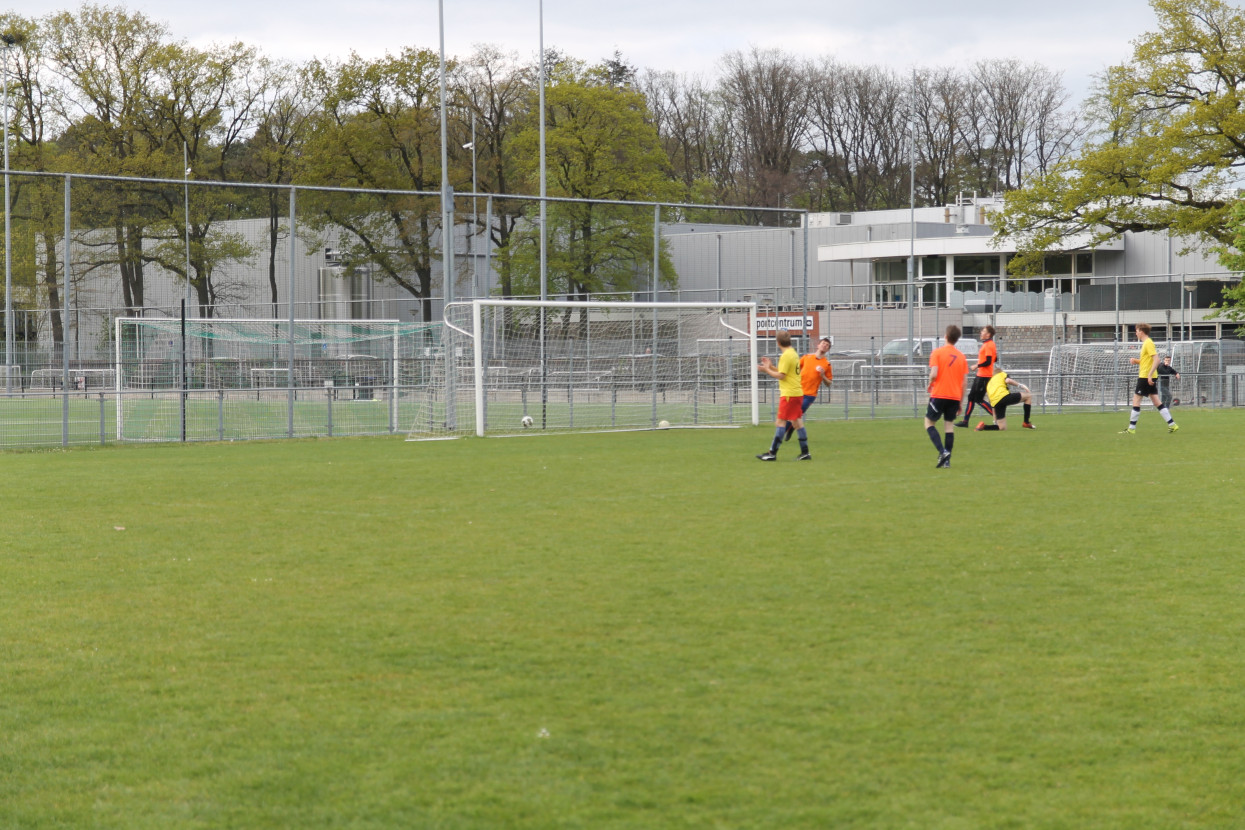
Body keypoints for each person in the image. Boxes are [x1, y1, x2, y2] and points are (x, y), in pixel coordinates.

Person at [756, 330, 811, 461]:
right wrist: (769, 367)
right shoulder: (792, 353)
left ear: (778, 342)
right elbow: (784, 372)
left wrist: (767, 370)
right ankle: (805, 452)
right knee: (797, 422)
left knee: (780, 422)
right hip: (796, 393)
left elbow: (782, 376)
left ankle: (772, 453)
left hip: (789, 395)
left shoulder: (786, 356)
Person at [924, 324, 969, 468]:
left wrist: (930, 383)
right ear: (956, 340)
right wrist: (961, 402)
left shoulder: (937, 353)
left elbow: (934, 373)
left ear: (945, 336)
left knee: (929, 423)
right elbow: (964, 383)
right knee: (949, 426)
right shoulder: (962, 357)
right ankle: (947, 461)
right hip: (955, 396)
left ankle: (942, 452)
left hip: (939, 394)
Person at [1120, 323, 1179, 434]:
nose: (1136, 333)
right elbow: (1147, 361)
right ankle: (1172, 425)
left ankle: (1131, 429)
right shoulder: (1146, 343)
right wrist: (1136, 361)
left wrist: (1149, 374)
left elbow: (1156, 360)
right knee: (1157, 402)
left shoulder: (1148, 343)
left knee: (1136, 400)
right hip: (1148, 376)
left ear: (1141, 331)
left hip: (1145, 377)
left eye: (1136, 331)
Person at [783, 336, 833, 443]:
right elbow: (795, 368)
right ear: (818, 345)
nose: (824, 345)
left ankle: (782, 432)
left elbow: (829, 383)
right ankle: (790, 429)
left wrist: (823, 376)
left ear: (828, 349)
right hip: (797, 391)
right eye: (823, 343)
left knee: (796, 413)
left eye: (827, 345)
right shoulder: (806, 357)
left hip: (810, 395)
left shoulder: (826, 364)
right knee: (794, 414)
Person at [954, 325, 996, 427]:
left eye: (983, 331)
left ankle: (998, 416)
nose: (981, 332)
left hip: (984, 376)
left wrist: (977, 365)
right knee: (971, 398)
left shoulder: (989, 345)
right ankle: (965, 422)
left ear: (988, 334)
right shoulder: (988, 344)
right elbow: (995, 359)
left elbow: (989, 361)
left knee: (977, 399)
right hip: (981, 375)